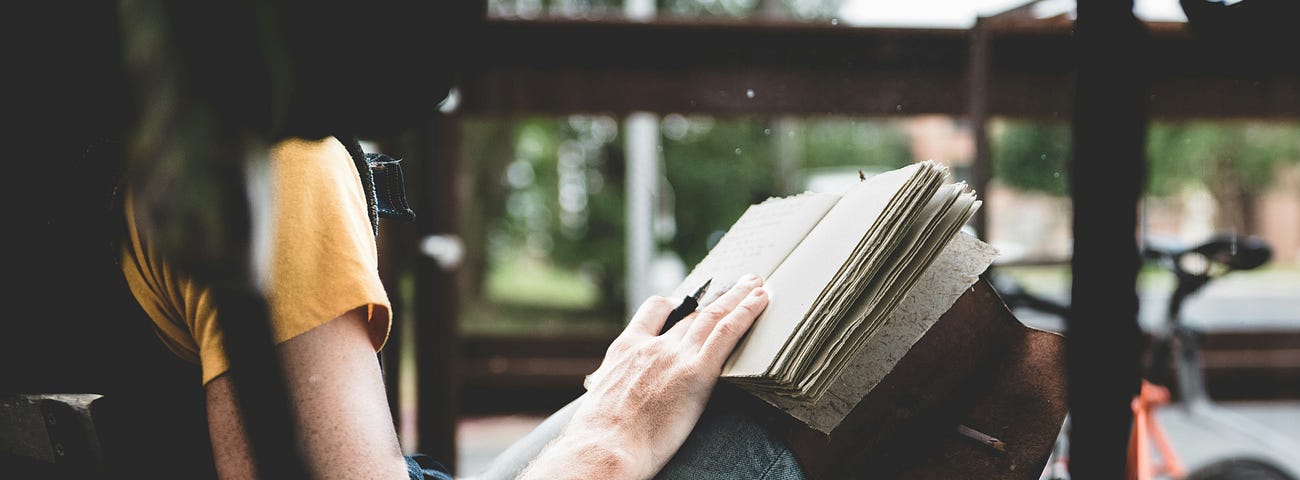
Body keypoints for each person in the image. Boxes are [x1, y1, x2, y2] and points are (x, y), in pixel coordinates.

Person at [116, 136, 805, 479]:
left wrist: (613, 410)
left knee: (634, 391)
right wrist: (608, 448)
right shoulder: (276, 164)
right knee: (745, 437)